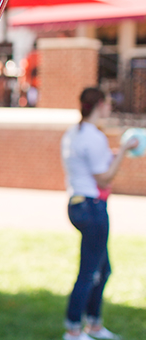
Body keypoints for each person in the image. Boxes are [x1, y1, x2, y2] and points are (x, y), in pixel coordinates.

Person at [60, 87, 138, 340]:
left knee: (103, 270)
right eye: (107, 104)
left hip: (77, 204)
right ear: (100, 105)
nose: (109, 108)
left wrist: (116, 153)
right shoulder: (93, 136)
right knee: (89, 272)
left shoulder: (75, 133)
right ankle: (73, 330)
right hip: (92, 208)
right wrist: (125, 150)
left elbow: (95, 165)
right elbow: (104, 178)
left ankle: (94, 325)